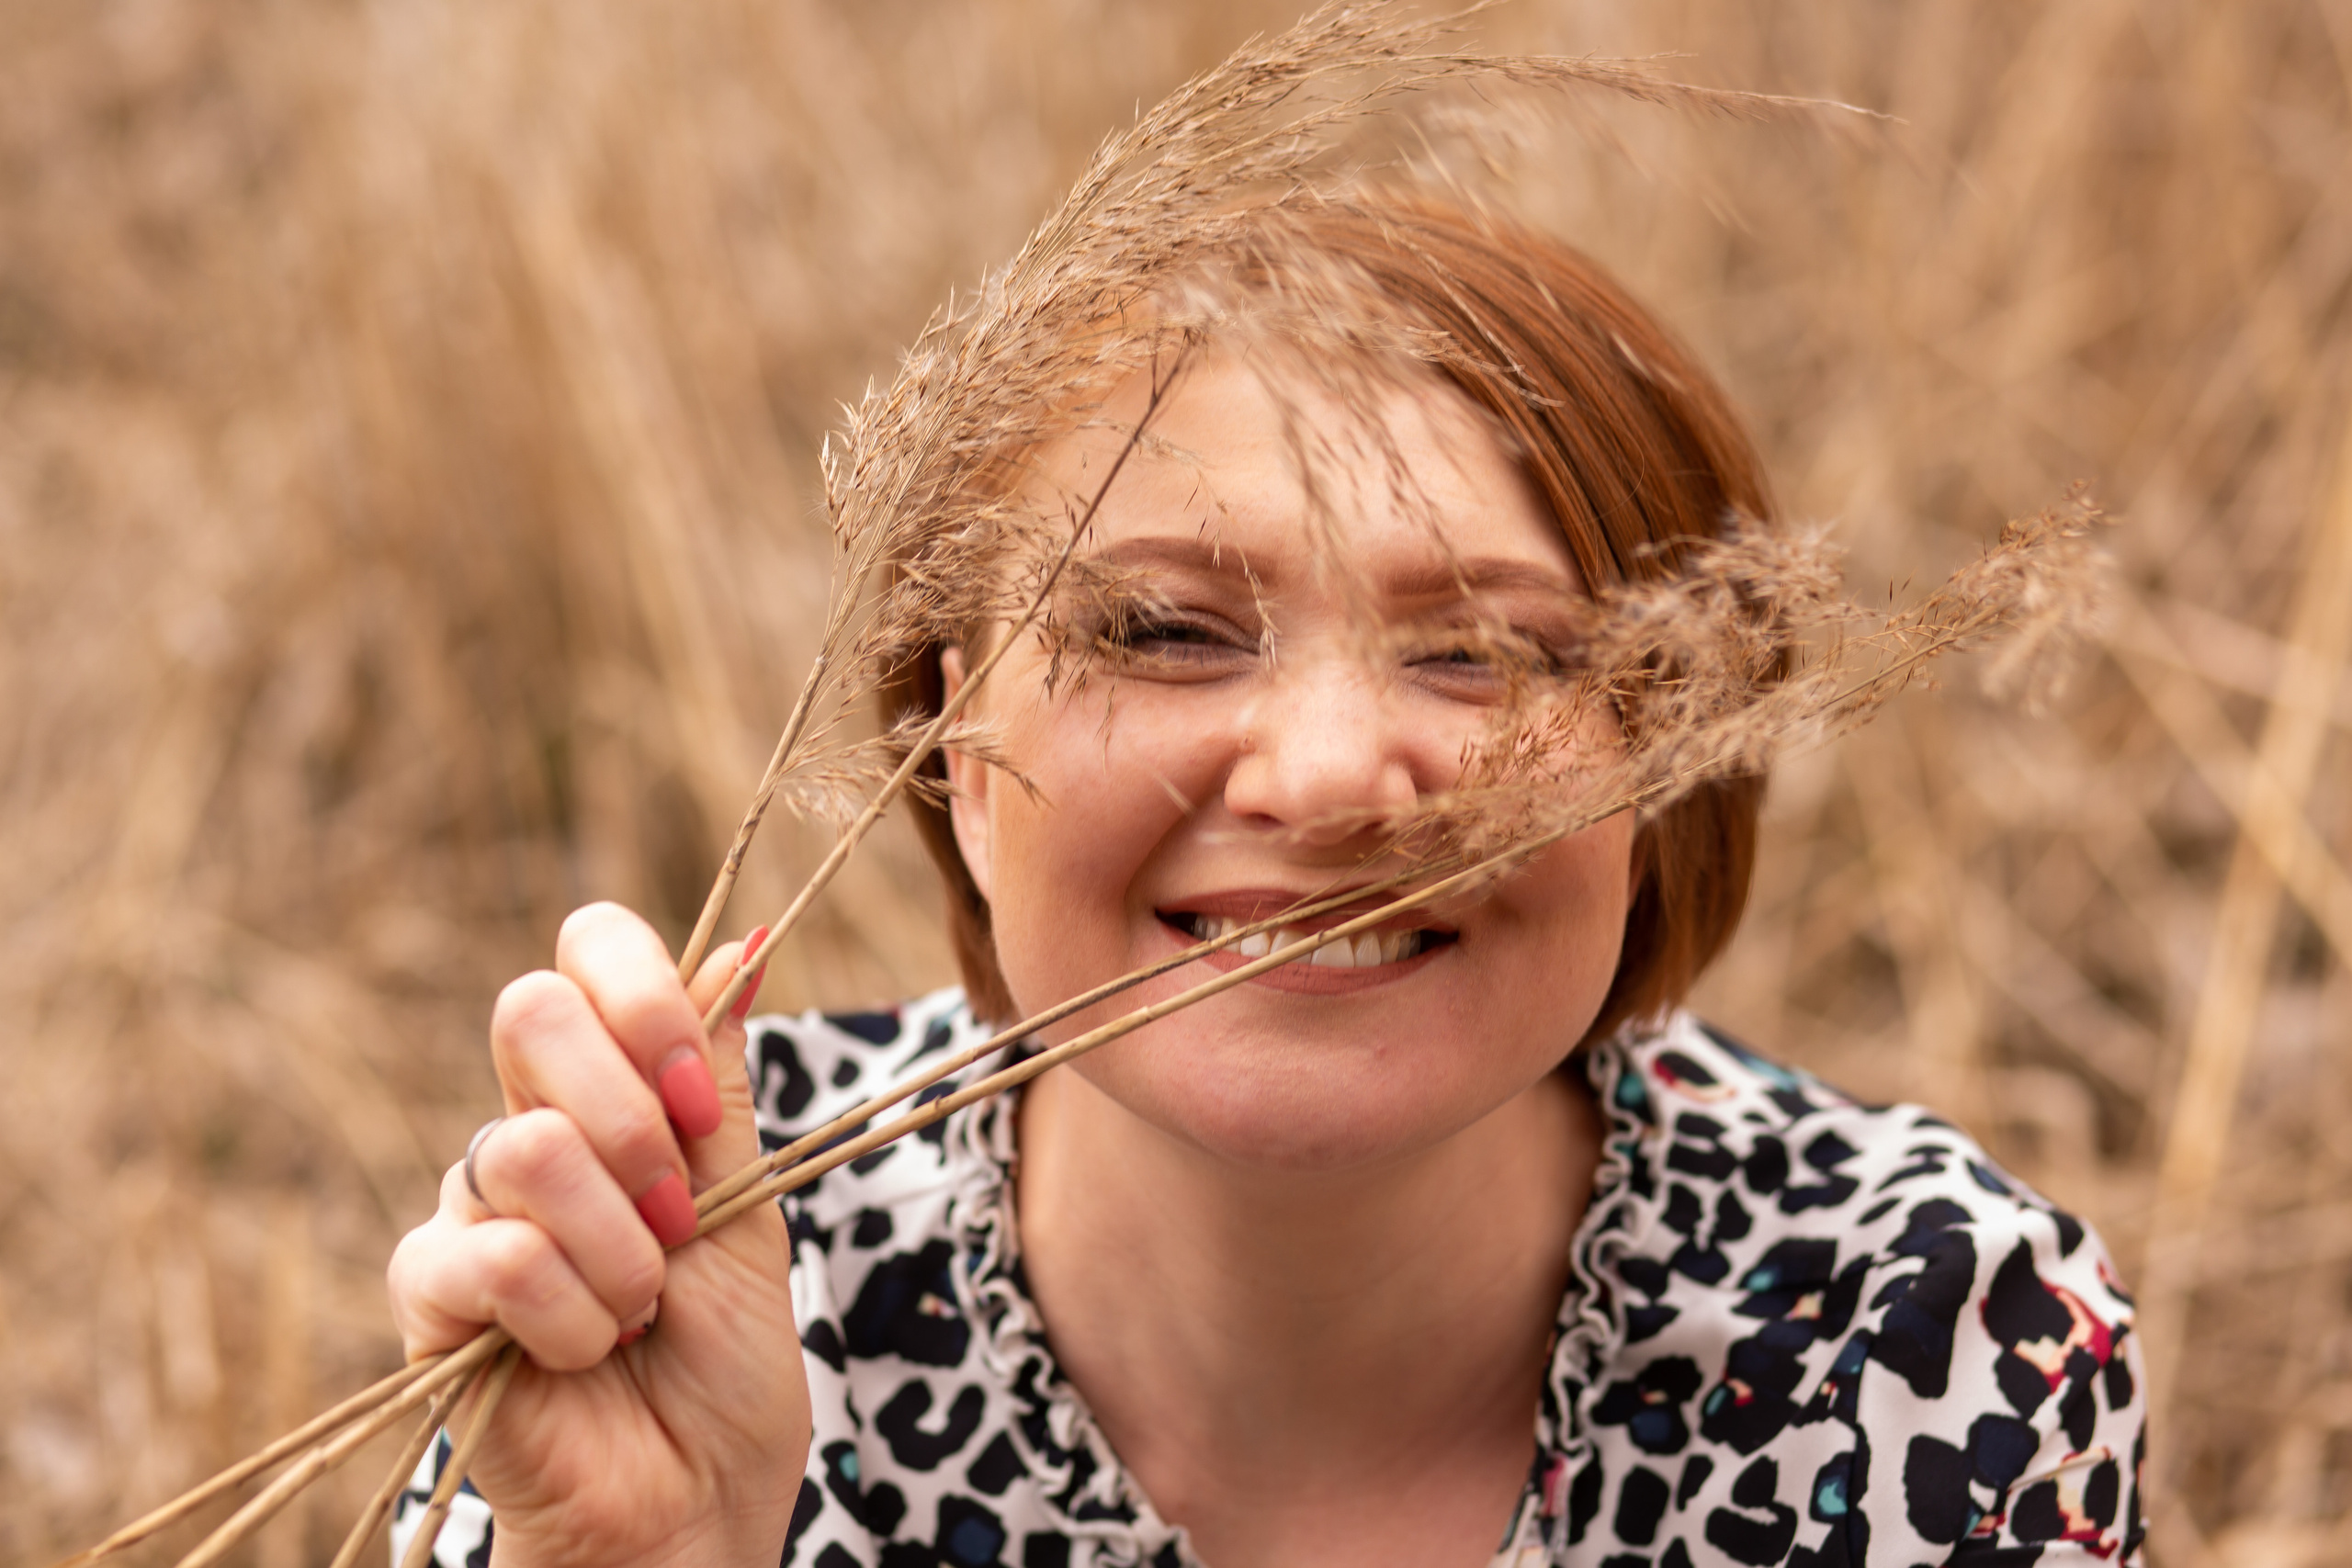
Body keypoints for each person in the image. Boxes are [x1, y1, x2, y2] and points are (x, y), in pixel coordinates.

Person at [386, 202, 2145, 1568]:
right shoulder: (687, 1263)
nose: (1320, 777)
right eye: (1163, 631)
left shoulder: (1917, 1338)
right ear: (948, 747)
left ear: (1666, 767)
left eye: (1481, 652)